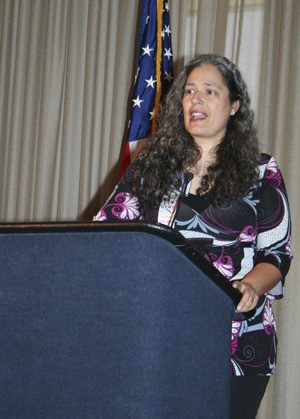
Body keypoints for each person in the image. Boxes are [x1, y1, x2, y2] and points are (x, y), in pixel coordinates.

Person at [93, 54, 292, 418]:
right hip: (157, 334)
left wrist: (249, 286)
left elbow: (277, 254)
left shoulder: (262, 171)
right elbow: (106, 234)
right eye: (188, 91)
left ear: (234, 106)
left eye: (209, 91)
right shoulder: (151, 168)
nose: (195, 100)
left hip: (236, 341)